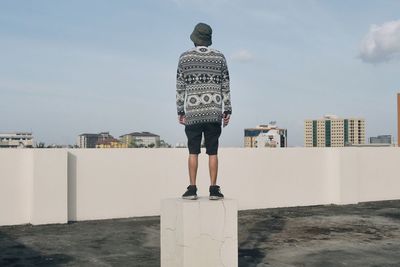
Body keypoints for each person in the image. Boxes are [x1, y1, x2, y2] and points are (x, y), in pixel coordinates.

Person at [176, 22, 232, 200]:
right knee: (213, 151)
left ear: (194, 39)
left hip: (193, 111)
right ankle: (214, 189)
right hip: (214, 111)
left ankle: (192, 189)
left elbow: (180, 87)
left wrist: (180, 110)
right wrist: (227, 109)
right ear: (208, 40)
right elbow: (226, 85)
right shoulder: (220, 57)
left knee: (193, 151)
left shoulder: (184, 58)